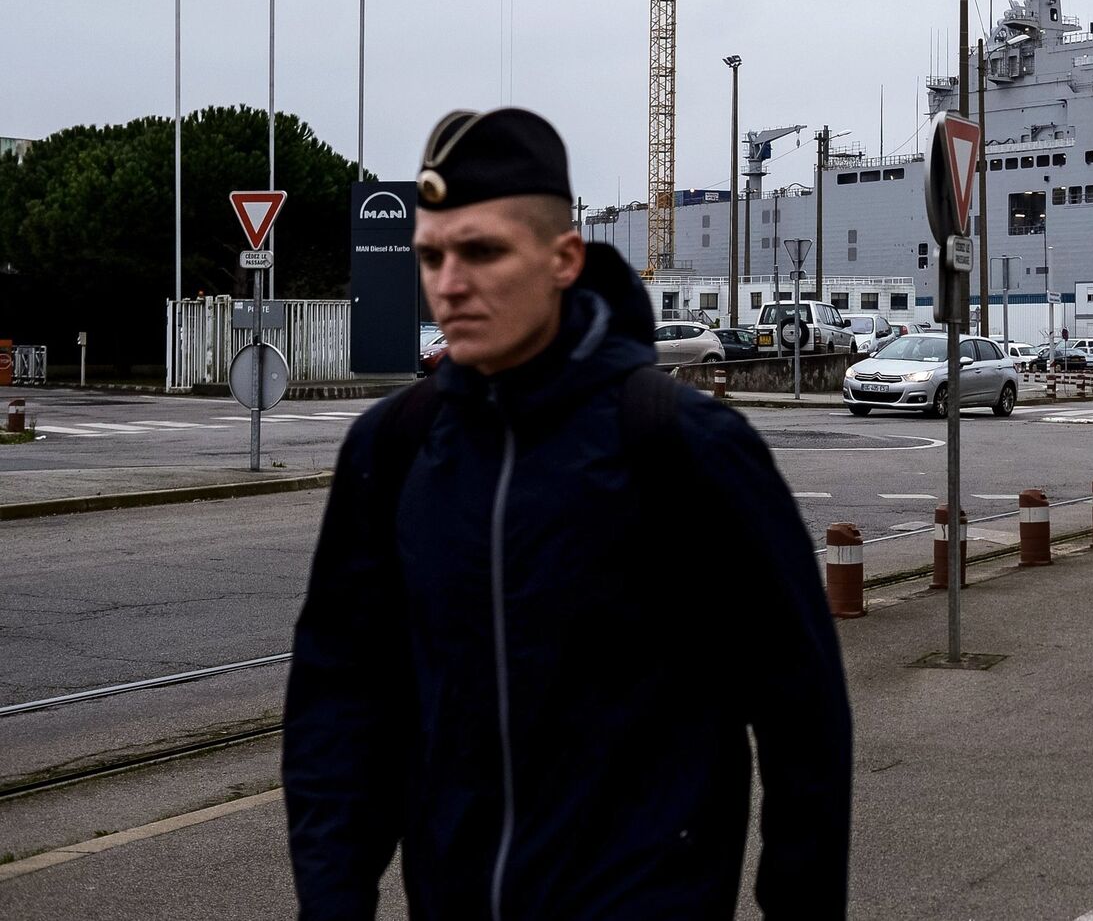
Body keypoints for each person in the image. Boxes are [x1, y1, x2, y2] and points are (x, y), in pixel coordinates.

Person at [284, 107, 852, 920]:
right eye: (432, 255)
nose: (449, 283)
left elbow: (804, 716)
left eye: (482, 251)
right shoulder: (394, 448)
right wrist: (332, 902)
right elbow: (343, 697)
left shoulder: (684, 446)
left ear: (564, 258)